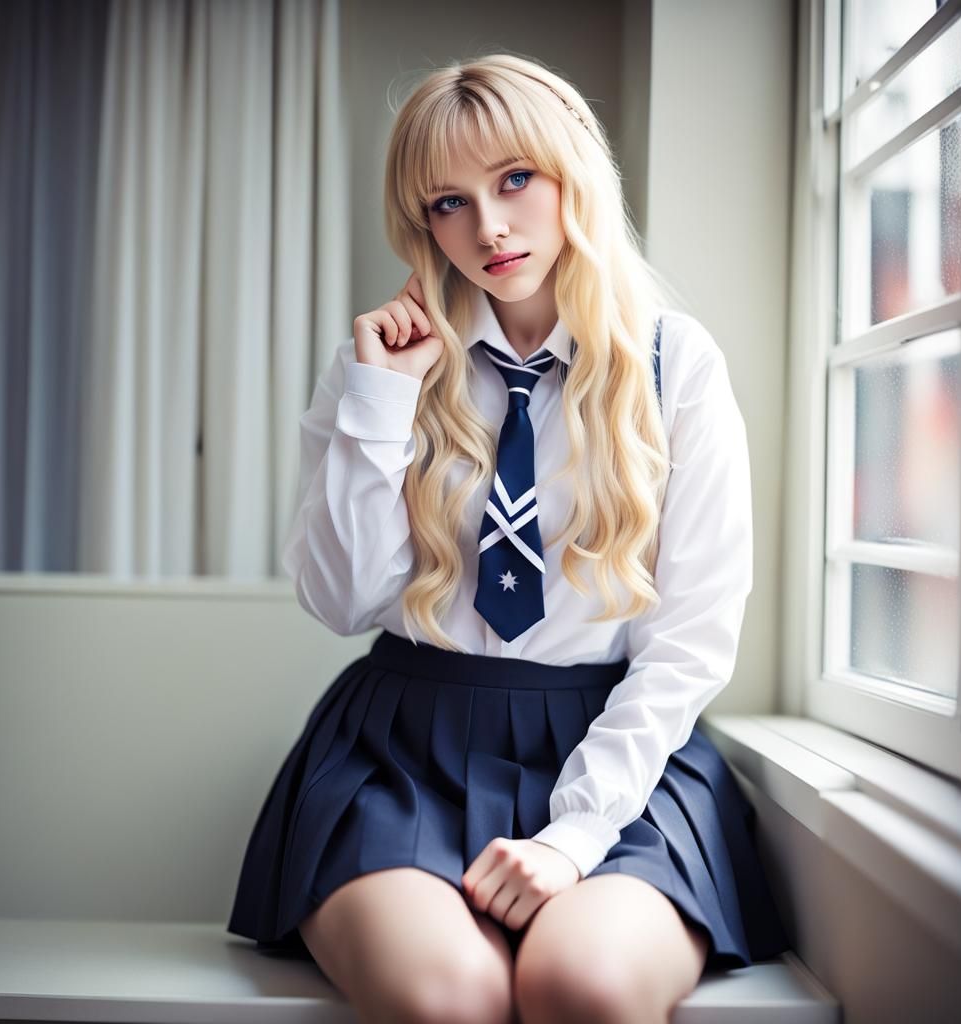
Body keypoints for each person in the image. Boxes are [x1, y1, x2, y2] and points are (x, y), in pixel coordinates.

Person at [227, 52, 790, 1024]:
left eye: (514, 180)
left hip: (617, 747)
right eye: (447, 203)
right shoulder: (375, 368)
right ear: (419, 224)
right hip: (404, 749)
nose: (486, 226)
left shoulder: (674, 364)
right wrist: (379, 406)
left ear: (574, 175)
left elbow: (691, 638)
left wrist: (574, 835)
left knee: (584, 984)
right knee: (451, 997)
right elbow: (342, 601)